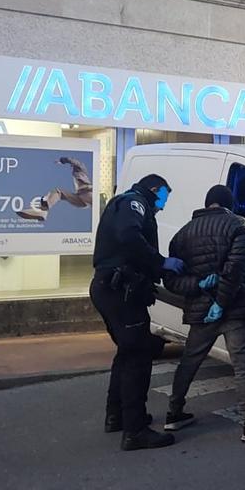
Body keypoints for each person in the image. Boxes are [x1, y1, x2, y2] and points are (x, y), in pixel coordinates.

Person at [162, 184, 245, 444]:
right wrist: (222, 302)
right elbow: (236, 267)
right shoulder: (239, 225)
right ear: (230, 204)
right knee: (241, 366)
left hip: (200, 312)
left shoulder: (182, 235)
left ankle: (174, 414)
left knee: (189, 362)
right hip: (234, 309)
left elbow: (170, 281)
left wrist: (198, 285)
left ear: (207, 204)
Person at [89, 173, 184, 451]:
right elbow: (129, 237)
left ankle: (117, 415)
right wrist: (162, 262)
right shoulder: (134, 203)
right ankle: (135, 431)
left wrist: (156, 269)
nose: (163, 206)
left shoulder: (126, 204)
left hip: (111, 288)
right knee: (138, 357)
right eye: (164, 198)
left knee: (127, 352)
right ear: (153, 190)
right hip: (121, 291)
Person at [17, 156, 93, 222]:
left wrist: (62, 160)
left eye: (72, 167)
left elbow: (75, 162)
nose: (71, 168)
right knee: (58, 193)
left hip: (87, 193)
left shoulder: (81, 168)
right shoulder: (76, 172)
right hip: (81, 199)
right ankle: (42, 211)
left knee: (96, 205)